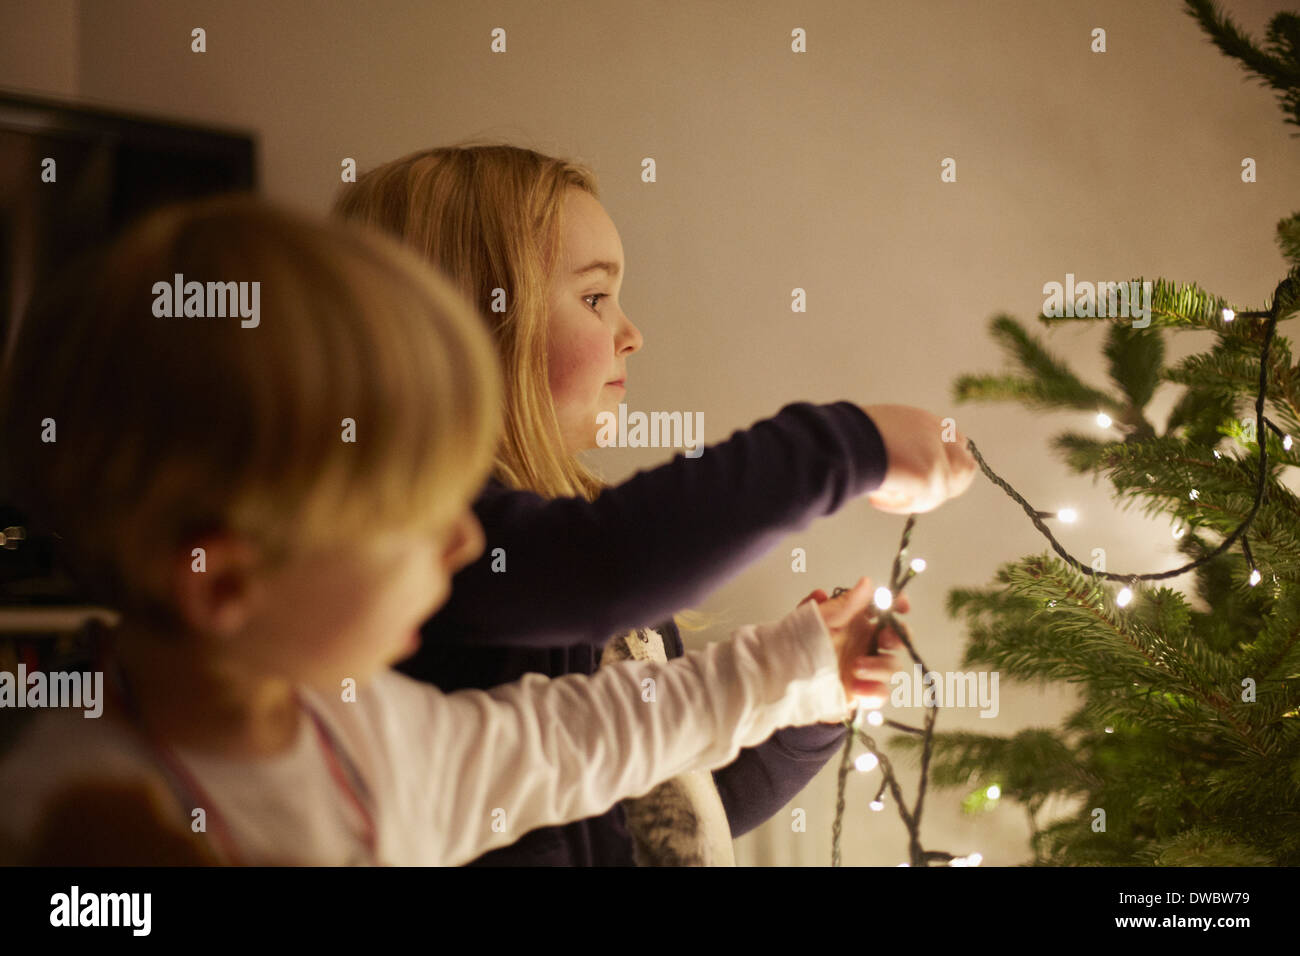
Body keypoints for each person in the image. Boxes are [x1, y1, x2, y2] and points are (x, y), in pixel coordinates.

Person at [0, 195, 905, 866]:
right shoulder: (73, 825)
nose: (467, 543)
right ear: (226, 586)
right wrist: (844, 445)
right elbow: (602, 571)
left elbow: (580, 745)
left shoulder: (363, 735)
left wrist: (802, 672)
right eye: (420, 517)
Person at [332, 143, 976, 864]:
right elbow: (603, 560)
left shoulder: (588, 559)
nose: (631, 334)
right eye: (595, 298)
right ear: (467, 326)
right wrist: (845, 444)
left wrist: (811, 701)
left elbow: (672, 817)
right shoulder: (430, 534)